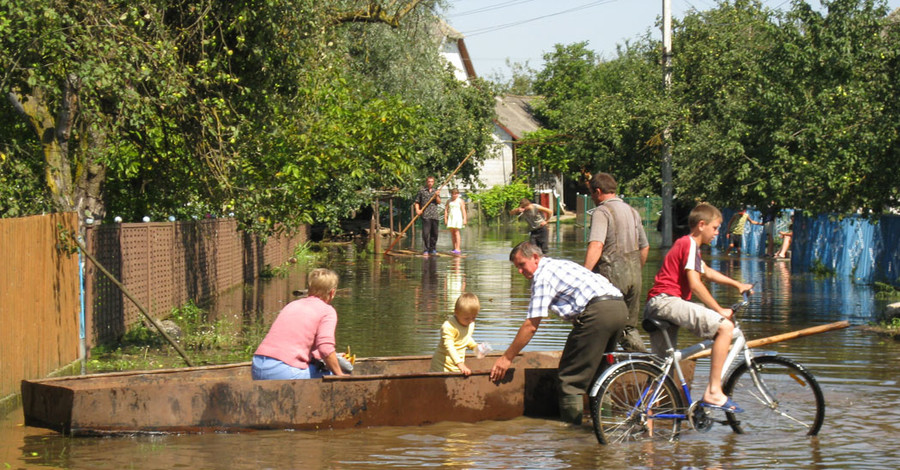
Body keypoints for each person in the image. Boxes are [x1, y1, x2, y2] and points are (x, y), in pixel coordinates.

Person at [490, 241, 628, 424]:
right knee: (599, 375)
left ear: (535, 258)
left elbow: (531, 325)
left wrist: (507, 358)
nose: (520, 272)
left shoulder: (542, 275)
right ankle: (607, 429)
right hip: (618, 308)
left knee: (570, 380)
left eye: (522, 265)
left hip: (598, 314)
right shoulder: (559, 264)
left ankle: (571, 439)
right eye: (517, 268)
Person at [644, 203, 754, 412]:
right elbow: (695, 283)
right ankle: (714, 391)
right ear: (701, 225)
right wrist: (719, 309)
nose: (717, 233)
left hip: (656, 304)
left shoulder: (686, 246)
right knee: (725, 328)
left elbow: (707, 272)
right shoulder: (689, 244)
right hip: (667, 301)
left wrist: (737, 284)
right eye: (715, 228)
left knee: (661, 369)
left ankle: (644, 424)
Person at [583, 172, 650, 352]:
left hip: (610, 279)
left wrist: (583, 277)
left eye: (591, 193)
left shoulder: (602, 211)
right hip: (635, 278)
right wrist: (636, 270)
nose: (591, 198)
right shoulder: (632, 212)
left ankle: (597, 372)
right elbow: (645, 247)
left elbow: (597, 245)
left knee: (599, 326)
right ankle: (647, 367)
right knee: (628, 328)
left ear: (597, 191)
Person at [252, 268, 346, 380]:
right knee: (330, 375)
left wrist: (335, 357)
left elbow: (298, 343)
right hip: (282, 371)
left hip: (257, 366)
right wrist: (340, 375)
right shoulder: (327, 311)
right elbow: (325, 347)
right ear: (332, 292)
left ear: (309, 289)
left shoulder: (292, 305)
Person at [430, 293, 481, 375]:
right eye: (467, 318)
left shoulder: (470, 324)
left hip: (457, 368)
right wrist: (460, 364)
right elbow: (449, 347)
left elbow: (465, 338)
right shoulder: (448, 326)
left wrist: (475, 347)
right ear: (456, 312)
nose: (470, 321)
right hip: (441, 368)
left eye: (474, 317)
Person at [414, 176, 442, 255]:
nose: (430, 183)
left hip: (434, 215)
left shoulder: (435, 191)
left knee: (434, 233)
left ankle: (432, 248)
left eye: (432, 181)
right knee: (426, 233)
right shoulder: (422, 191)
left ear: (433, 182)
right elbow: (417, 202)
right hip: (426, 214)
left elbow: (439, 202)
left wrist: (436, 195)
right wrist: (418, 210)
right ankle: (426, 249)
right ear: (427, 182)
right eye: (429, 181)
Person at [444, 188, 467, 255]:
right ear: (451, 194)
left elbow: (463, 210)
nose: (455, 195)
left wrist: (464, 218)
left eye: (456, 194)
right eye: (453, 194)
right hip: (451, 217)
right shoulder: (449, 201)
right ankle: (454, 247)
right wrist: (445, 218)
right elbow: (446, 209)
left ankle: (458, 248)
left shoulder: (460, 201)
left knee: (457, 232)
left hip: (457, 217)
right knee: (452, 232)